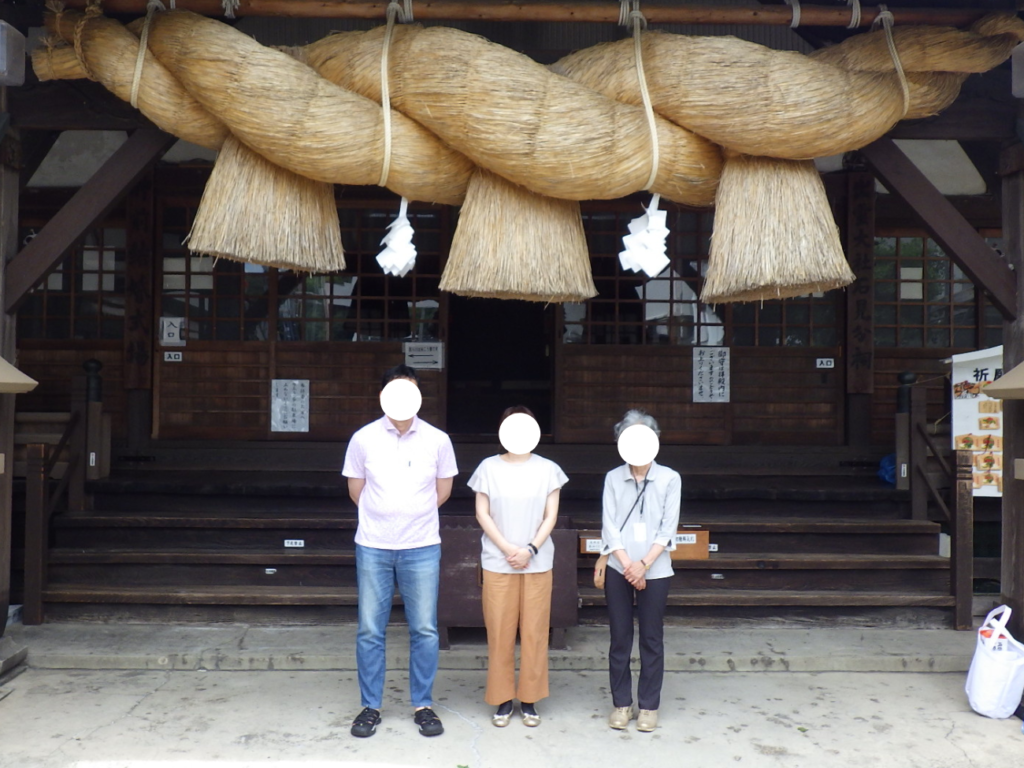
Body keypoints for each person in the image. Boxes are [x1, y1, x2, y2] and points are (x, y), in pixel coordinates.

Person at [342, 365, 458, 738]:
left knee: (424, 628)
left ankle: (422, 704)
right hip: (373, 545)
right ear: (383, 395)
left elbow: (443, 491)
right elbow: (355, 490)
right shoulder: (363, 439)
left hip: (422, 545)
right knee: (370, 630)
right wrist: (385, 515)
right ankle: (370, 706)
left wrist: (411, 514)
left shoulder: (438, 440)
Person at [467, 406, 568, 727]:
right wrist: (510, 548)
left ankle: (529, 698)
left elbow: (551, 515)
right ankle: (501, 698)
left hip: (537, 562)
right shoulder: (488, 468)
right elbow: (482, 513)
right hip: (498, 561)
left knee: (536, 632)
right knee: (499, 632)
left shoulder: (549, 469)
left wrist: (531, 548)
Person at [601, 409, 680, 733]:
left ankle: (648, 706)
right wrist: (627, 565)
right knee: (620, 637)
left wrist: (644, 564)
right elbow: (608, 526)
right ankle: (622, 703)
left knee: (651, 638)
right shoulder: (612, 478)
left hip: (656, 569)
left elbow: (667, 528)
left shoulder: (669, 478)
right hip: (618, 568)